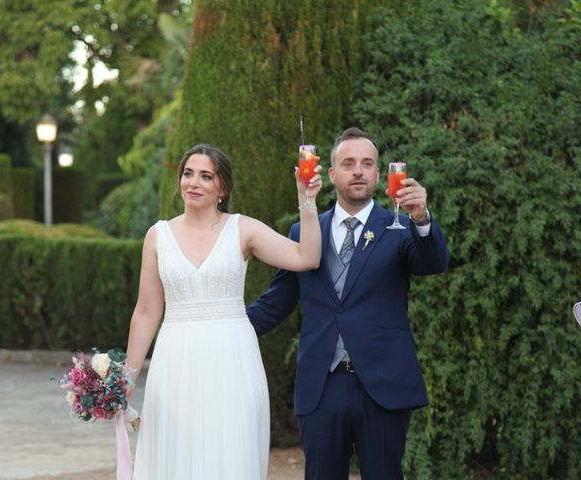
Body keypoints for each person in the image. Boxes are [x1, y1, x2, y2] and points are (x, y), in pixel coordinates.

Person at [246, 127, 450, 479]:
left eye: (367, 164)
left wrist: (422, 218)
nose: (358, 171)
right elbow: (275, 304)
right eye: (349, 163)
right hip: (321, 387)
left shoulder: (398, 226)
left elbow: (433, 264)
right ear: (331, 174)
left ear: (377, 173)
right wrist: (220, 327)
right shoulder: (303, 232)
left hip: (383, 386)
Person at [125, 143, 322, 479]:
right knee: (177, 452)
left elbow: (307, 257)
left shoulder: (242, 229)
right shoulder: (157, 236)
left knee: (229, 451)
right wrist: (127, 377)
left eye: (206, 176)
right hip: (175, 360)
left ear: (223, 188)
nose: (193, 183)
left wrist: (307, 201)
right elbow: (146, 312)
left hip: (232, 359)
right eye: (188, 174)